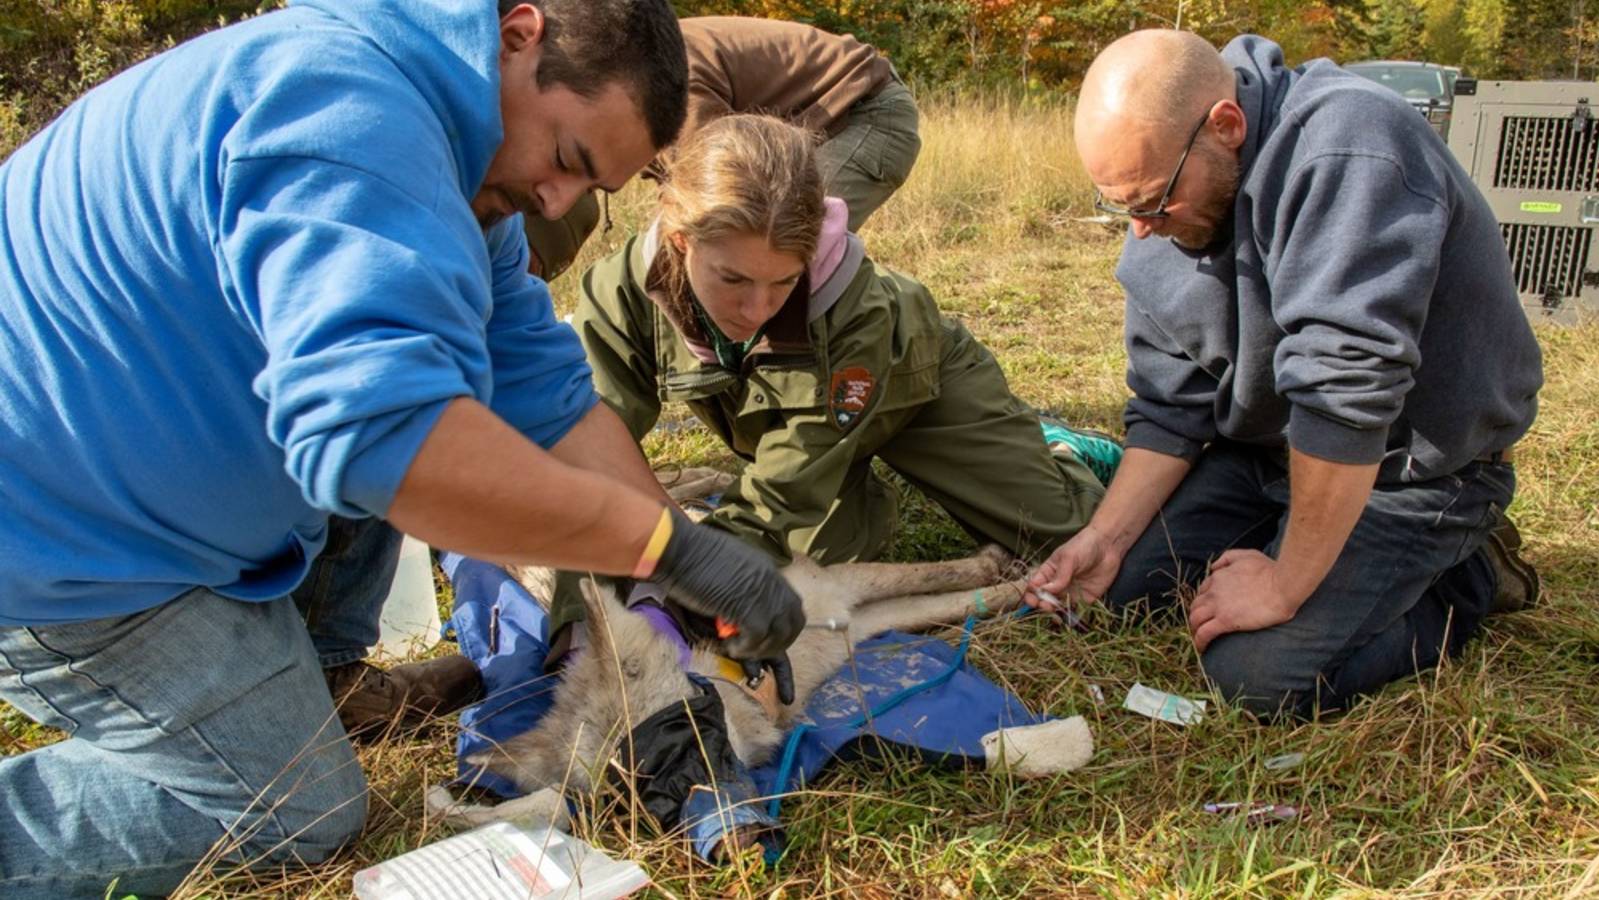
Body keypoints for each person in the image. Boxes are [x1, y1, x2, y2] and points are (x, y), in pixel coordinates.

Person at [0, 1, 807, 896]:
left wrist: (670, 567)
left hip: (144, 488)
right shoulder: (346, 109)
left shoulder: (462, 167)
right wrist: (663, 545)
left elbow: (546, 398)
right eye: (569, 159)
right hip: (60, 551)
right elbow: (385, 443)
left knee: (439, 375)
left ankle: (319, 676)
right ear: (517, 37)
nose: (556, 203)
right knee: (294, 809)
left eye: (591, 190)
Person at [1026, 29, 1544, 720]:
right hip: (1268, 454)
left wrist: (1285, 583)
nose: (1142, 228)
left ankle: (1467, 578)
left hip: (1408, 470)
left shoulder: (1349, 143)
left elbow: (1346, 393)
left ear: (1226, 125)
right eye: (1124, 208)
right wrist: (1106, 538)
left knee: (1254, 678)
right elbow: (1171, 405)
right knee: (1128, 594)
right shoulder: (1168, 198)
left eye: (1153, 202)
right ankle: (1299, 538)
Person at [557, 112, 1118, 648]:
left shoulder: (854, 307)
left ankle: (1061, 450)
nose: (757, 308)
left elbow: (785, 489)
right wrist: (580, 627)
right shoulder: (619, 295)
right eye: (733, 279)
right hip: (807, 436)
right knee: (806, 584)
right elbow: (581, 446)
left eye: (783, 282)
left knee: (1070, 542)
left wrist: (700, 575)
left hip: (915, 387)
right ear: (682, 241)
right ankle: (861, 492)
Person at [525, 15, 921, 280]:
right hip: (824, 117)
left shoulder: (668, 82)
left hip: (864, 112)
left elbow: (720, 188)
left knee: (779, 249)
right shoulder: (623, 75)